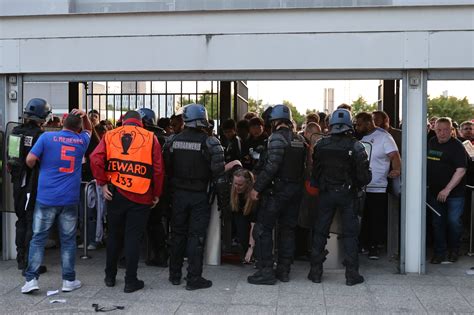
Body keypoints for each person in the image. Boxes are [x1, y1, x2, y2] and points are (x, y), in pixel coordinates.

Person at [90, 110, 164, 293]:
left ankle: (109, 276)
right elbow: (158, 169)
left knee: (114, 235)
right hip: (141, 194)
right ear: (142, 123)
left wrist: (102, 183)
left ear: (123, 121)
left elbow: (95, 158)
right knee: (133, 238)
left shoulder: (110, 135)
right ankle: (131, 281)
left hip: (115, 194)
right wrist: (157, 193)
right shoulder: (150, 137)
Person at [21, 109, 92, 294]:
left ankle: (31, 280)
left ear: (62, 124)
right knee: (68, 240)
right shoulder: (81, 141)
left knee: (38, 239)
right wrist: (85, 117)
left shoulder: (46, 138)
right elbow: (89, 131)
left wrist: (40, 164)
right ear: (78, 128)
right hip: (69, 199)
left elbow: (30, 159)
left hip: (46, 197)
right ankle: (68, 280)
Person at [163, 103, 226, 290]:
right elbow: (219, 176)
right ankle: (193, 278)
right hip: (200, 196)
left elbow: (166, 171)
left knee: (177, 235)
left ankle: (174, 275)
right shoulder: (211, 143)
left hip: (178, 195)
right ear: (204, 120)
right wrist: (224, 203)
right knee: (196, 237)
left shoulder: (172, 141)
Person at [308, 109, 371, 286]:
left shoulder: (321, 144)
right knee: (350, 234)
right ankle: (352, 274)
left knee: (320, 232)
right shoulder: (356, 146)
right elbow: (364, 177)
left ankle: (315, 272)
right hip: (348, 195)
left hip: (326, 194)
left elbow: (316, 171)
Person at [248, 104, 306, 285]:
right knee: (287, 230)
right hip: (295, 191)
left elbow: (272, 166)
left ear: (275, 122)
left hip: (277, 192)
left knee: (263, 230)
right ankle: (284, 271)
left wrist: (256, 188)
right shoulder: (299, 140)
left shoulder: (276, 138)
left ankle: (266, 272)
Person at [7, 98, 51, 273]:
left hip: (17, 182)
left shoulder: (15, 132)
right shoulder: (40, 136)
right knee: (31, 221)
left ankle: (20, 258)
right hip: (32, 184)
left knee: (21, 220)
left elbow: (11, 158)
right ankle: (28, 263)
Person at [355, 112, 401, 260]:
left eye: (359, 124)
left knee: (376, 217)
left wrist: (396, 170)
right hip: (361, 186)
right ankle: (363, 244)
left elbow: (394, 155)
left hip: (378, 185)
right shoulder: (359, 138)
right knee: (364, 217)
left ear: (369, 123)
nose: (357, 127)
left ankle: (375, 246)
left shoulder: (384, 137)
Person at [427, 117, 467, 264]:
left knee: (453, 222)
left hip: (454, 194)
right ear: (434, 130)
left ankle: (454, 250)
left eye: (445, 130)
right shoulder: (431, 142)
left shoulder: (457, 146)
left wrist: (447, 190)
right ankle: (439, 253)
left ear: (451, 130)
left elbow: (461, 170)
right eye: (439, 130)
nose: (442, 133)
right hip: (435, 192)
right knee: (437, 223)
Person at [137, 108, 169, 267]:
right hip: (160, 185)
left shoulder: (144, 138)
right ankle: (160, 253)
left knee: (139, 222)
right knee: (156, 223)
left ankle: (155, 254)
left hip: (145, 185)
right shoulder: (165, 137)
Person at [230, 168, 257, 263]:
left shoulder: (253, 197)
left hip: (252, 220)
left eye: (240, 185)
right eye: (235, 184)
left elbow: (254, 223)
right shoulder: (233, 192)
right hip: (240, 216)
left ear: (248, 184)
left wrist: (251, 248)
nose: (237, 187)